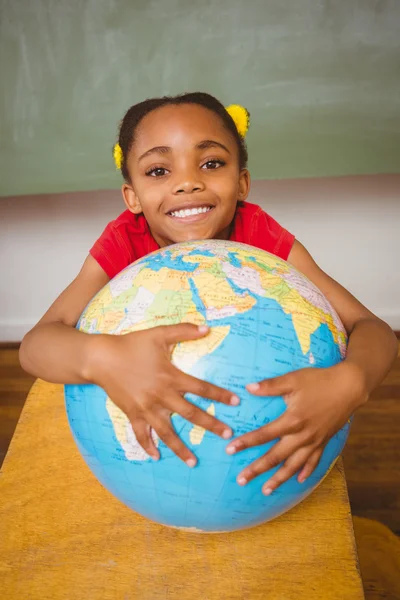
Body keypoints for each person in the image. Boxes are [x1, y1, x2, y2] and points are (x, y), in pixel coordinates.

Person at [19, 92, 397, 496]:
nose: (187, 182)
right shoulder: (124, 241)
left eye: (211, 163)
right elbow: (36, 345)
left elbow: (372, 328)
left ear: (242, 183)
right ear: (132, 198)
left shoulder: (260, 236)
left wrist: (351, 381)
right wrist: (103, 358)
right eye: (159, 170)